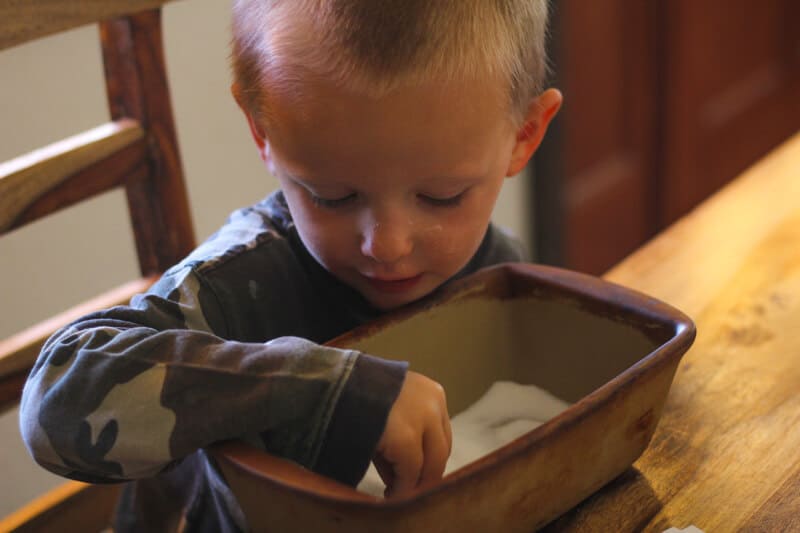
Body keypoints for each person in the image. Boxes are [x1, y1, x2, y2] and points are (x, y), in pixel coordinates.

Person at [20, 0, 561, 530]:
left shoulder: (499, 272)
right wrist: (315, 389)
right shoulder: (235, 286)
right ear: (263, 133)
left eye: (443, 197)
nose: (387, 246)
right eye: (332, 196)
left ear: (524, 136)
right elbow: (52, 406)